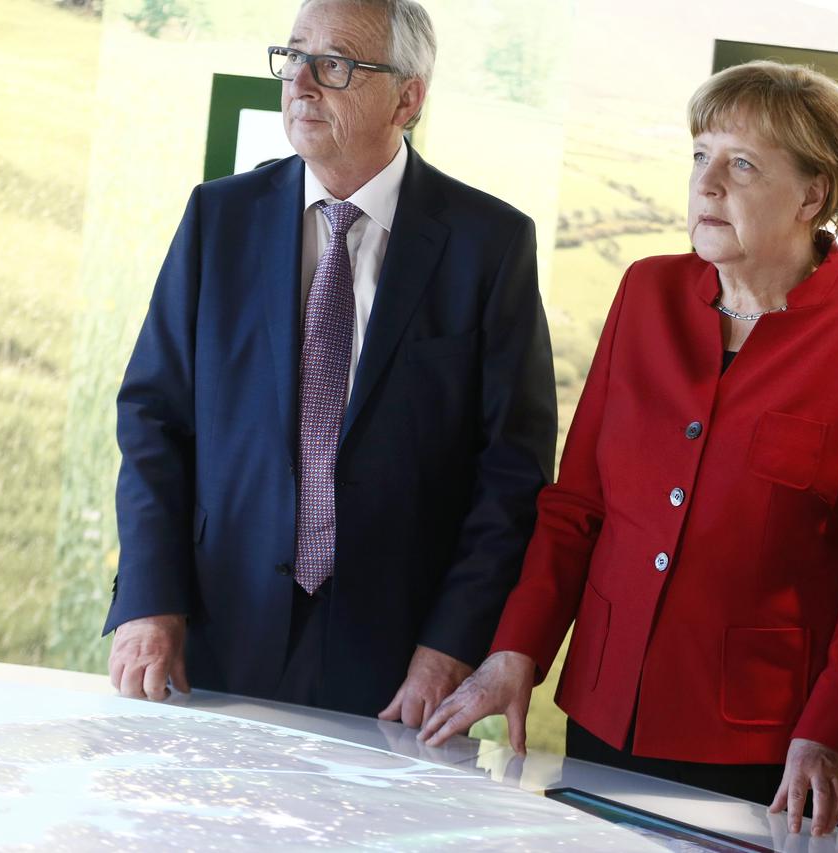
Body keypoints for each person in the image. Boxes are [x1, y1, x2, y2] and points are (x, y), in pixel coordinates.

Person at [420, 60, 838, 836]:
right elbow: (577, 507)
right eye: (701, 156)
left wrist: (832, 726)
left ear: (815, 193)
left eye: (741, 164)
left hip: (777, 745)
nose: (707, 185)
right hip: (610, 710)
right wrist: (516, 652)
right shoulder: (645, 291)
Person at [104, 0, 556, 728]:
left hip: (401, 665)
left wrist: (449, 645)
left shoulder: (489, 244)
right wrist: (151, 600)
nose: (301, 83)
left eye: (336, 64)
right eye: (293, 57)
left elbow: (512, 470)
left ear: (408, 97)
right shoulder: (220, 217)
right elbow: (154, 418)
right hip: (217, 633)